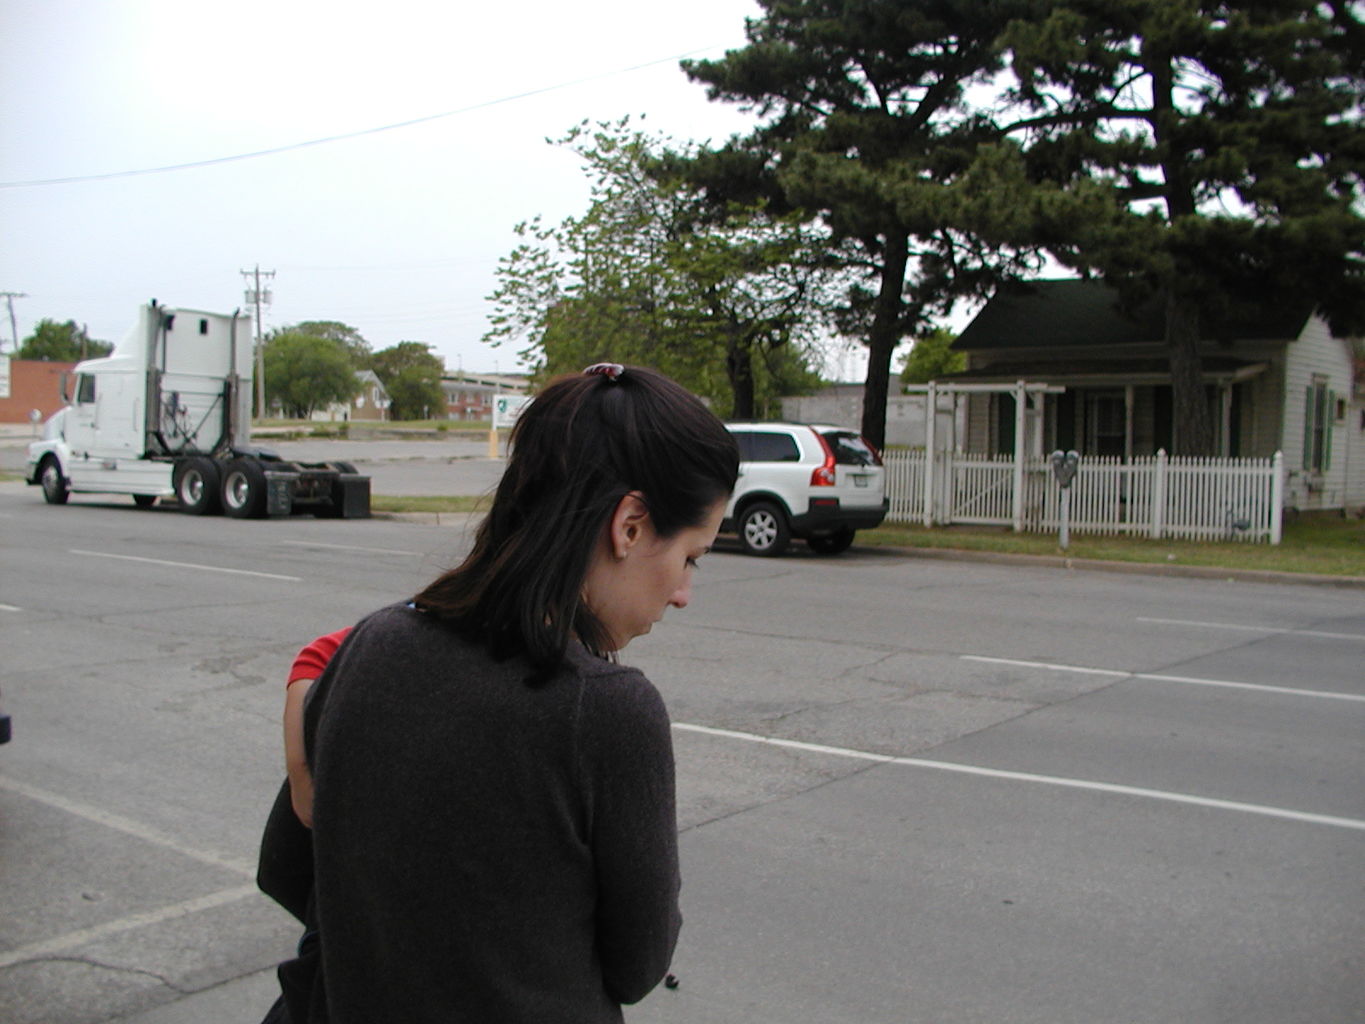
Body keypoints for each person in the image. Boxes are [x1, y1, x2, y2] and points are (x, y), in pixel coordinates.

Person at [259, 362, 739, 1023]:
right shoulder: (607, 709)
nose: (684, 593)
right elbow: (637, 965)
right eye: (690, 556)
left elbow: (286, 869)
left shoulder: (369, 645)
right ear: (628, 525)